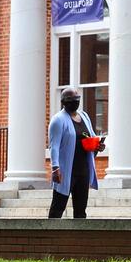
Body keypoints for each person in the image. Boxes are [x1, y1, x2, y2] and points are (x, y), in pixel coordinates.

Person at [48, 87, 104, 218]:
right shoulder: (58, 120)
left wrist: (97, 145)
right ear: (63, 102)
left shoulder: (84, 116)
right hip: (66, 171)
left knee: (81, 209)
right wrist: (55, 168)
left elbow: (92, 136)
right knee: (58, 207)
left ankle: (80, 232)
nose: (75, 101)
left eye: (77, 99)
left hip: (83, 170)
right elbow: (54, 146)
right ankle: (50, 231)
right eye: (71, 99)